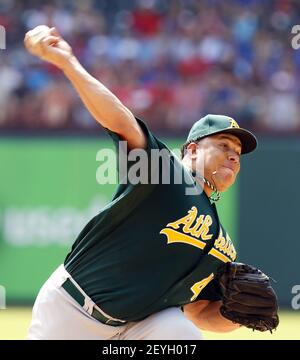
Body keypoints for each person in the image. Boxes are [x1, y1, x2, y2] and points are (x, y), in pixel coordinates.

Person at [24, 26, 257, 340]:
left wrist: (238, 316)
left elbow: (200, 313)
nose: (233, 157)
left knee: (181, 335)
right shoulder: (163, 174)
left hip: (135, 330)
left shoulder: (222, 245)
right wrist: (69, 64)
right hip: (72, 312)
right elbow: (121, 121)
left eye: (238, 153)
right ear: (191, 149)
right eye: (224, 145)